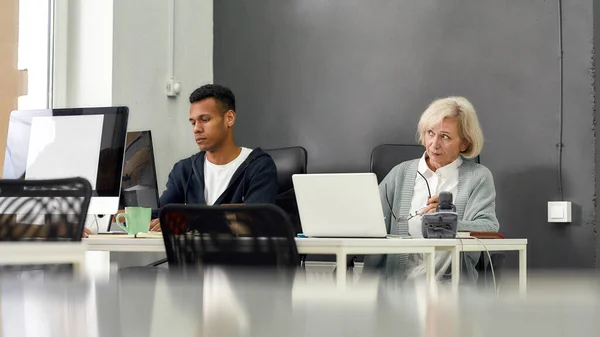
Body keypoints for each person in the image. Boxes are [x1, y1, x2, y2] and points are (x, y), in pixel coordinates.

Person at [364, 96, 499, 283]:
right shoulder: (401, 173)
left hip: (450, 281)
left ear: (465, 143)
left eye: (445, 136)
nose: (434, 144)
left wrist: (447, 222)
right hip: (400, 277)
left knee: (446, 248)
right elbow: (370, 221)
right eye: (430, 133)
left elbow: (489, 227)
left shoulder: (478, 177)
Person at [148, 84, 278, 231]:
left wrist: (190, 220)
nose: (196, 128)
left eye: (204, 119)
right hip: (194, 254)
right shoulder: (184, 169)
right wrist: (124, 213)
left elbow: (256, 220)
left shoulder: (259, 166)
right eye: (193, 122)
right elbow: (161, 213)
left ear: (229, 118)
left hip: (240, 253)